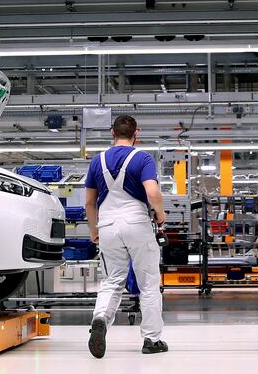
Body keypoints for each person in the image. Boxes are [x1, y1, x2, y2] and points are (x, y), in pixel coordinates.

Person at [85, 114, 168, 358]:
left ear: (112, 133)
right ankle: (151, 340)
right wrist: (160, 214)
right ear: (136, 133)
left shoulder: (97, 161)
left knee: (112, 280)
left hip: (108, 225)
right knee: (149, 283)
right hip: (137, 223)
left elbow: (90, 202)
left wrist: (94, 230)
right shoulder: (142, 157)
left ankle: (100, 319)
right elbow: (152, 192)